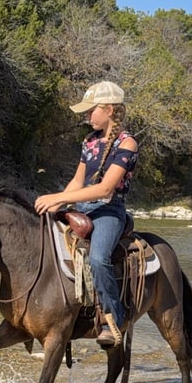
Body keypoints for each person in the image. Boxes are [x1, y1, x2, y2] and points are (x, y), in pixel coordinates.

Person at [34, 81, 138, 347]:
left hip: (109, 210)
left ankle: (113, 318)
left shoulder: (127, 144)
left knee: (99, 258)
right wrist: (55, 204)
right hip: (82, 206)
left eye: (92, 110)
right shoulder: (89, 141)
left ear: (110, 110)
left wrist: (60, 198)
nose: (87, 116)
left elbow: (105, 188)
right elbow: (78, 181)